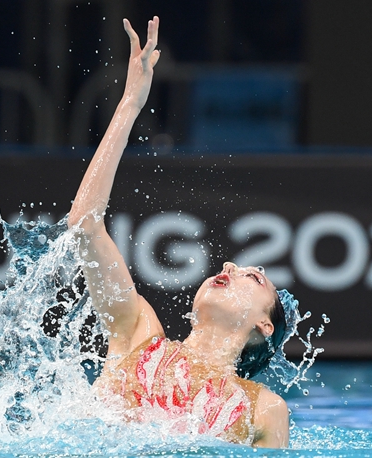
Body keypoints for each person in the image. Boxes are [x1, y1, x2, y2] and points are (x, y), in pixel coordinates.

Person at [67, 16, 291, 448]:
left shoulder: (264, 409)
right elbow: (84, 226)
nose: (229, 265)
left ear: (264, 325)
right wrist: (130, 103)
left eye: (254, 276)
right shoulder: (135, 333)